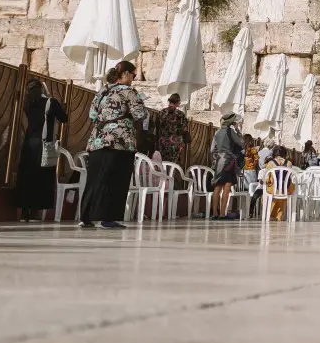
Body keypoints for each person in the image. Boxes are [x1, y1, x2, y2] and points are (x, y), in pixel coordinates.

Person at [79, 61, 148, 229]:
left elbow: (92, 114)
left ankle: (85, 217)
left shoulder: (102, 91)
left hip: (97, 140)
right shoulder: (130, 92)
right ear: (125, 74)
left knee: (94, 179)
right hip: (120, 142)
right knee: (115, 180)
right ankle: (107, 219)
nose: (133, 78)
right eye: (133, 75)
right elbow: (140, 115)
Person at [15, 78, 68, 221]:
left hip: (29, 143)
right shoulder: (50, 102)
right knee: (41, 176)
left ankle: (24, 212)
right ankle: (35, 211)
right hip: (44, 144)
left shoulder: (27, 103)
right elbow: (64, 118)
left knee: (27, 176)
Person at [209, 110, 244, 219]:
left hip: (219, 161)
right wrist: (238, 130)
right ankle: (222, 214)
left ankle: (214, 213)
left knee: (218, 187)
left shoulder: (218, 132)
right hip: (229, 161)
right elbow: (241, 143)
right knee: (227, 186)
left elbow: (212, 149)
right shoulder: (231, 132)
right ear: (232, 122)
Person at [154, 93, 190, 163]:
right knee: (172, 165)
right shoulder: (180, 114)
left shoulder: (162, 112)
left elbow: (157, 126)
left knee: (162, 163)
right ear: (177, 102)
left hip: (162, 143)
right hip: (175, 145)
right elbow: (184, 129)